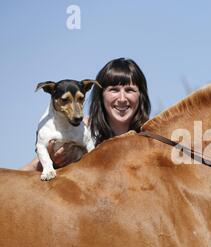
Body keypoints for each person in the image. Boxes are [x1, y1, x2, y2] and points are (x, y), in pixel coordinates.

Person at [21, 58, 151, 171]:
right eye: (114, 90)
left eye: (129, 90)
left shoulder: (151, 140)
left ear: (141, 95)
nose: (122, 98)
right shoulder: (81, 129)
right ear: (100, 95)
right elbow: (27, 171)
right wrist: (50, 161)